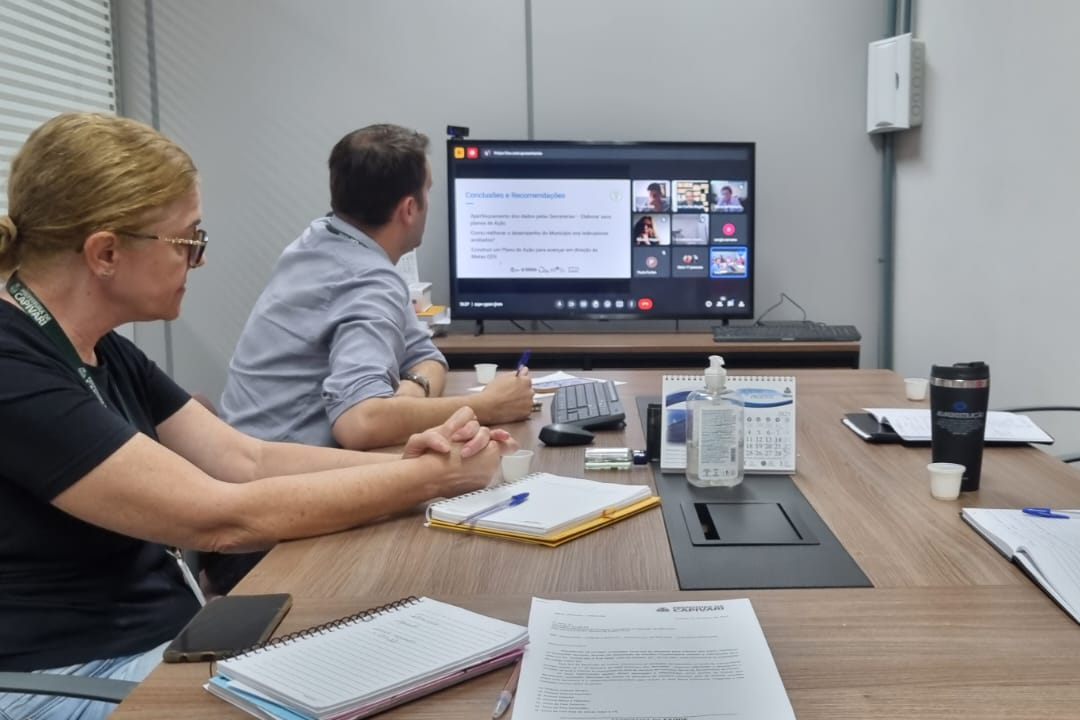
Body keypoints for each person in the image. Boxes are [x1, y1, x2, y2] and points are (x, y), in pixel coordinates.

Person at [0, 112, 515, 720]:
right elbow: (220, 517)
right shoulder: (15, 365)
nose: (198, 260)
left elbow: (248, 458)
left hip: (167, 640)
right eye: (188, 242)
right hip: (76, 678)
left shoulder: (99, 346)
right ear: (106, 252)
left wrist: (404, 460)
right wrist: (429, 479)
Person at [220, 124, 534, 455]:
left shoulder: (319, 241)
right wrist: (485, 405)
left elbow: (426, 357)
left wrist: (409, 395)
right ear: (409, 209)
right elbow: (361, 423)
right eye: (428, 191)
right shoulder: (365, 279)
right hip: (275, 479)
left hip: (247, 461)